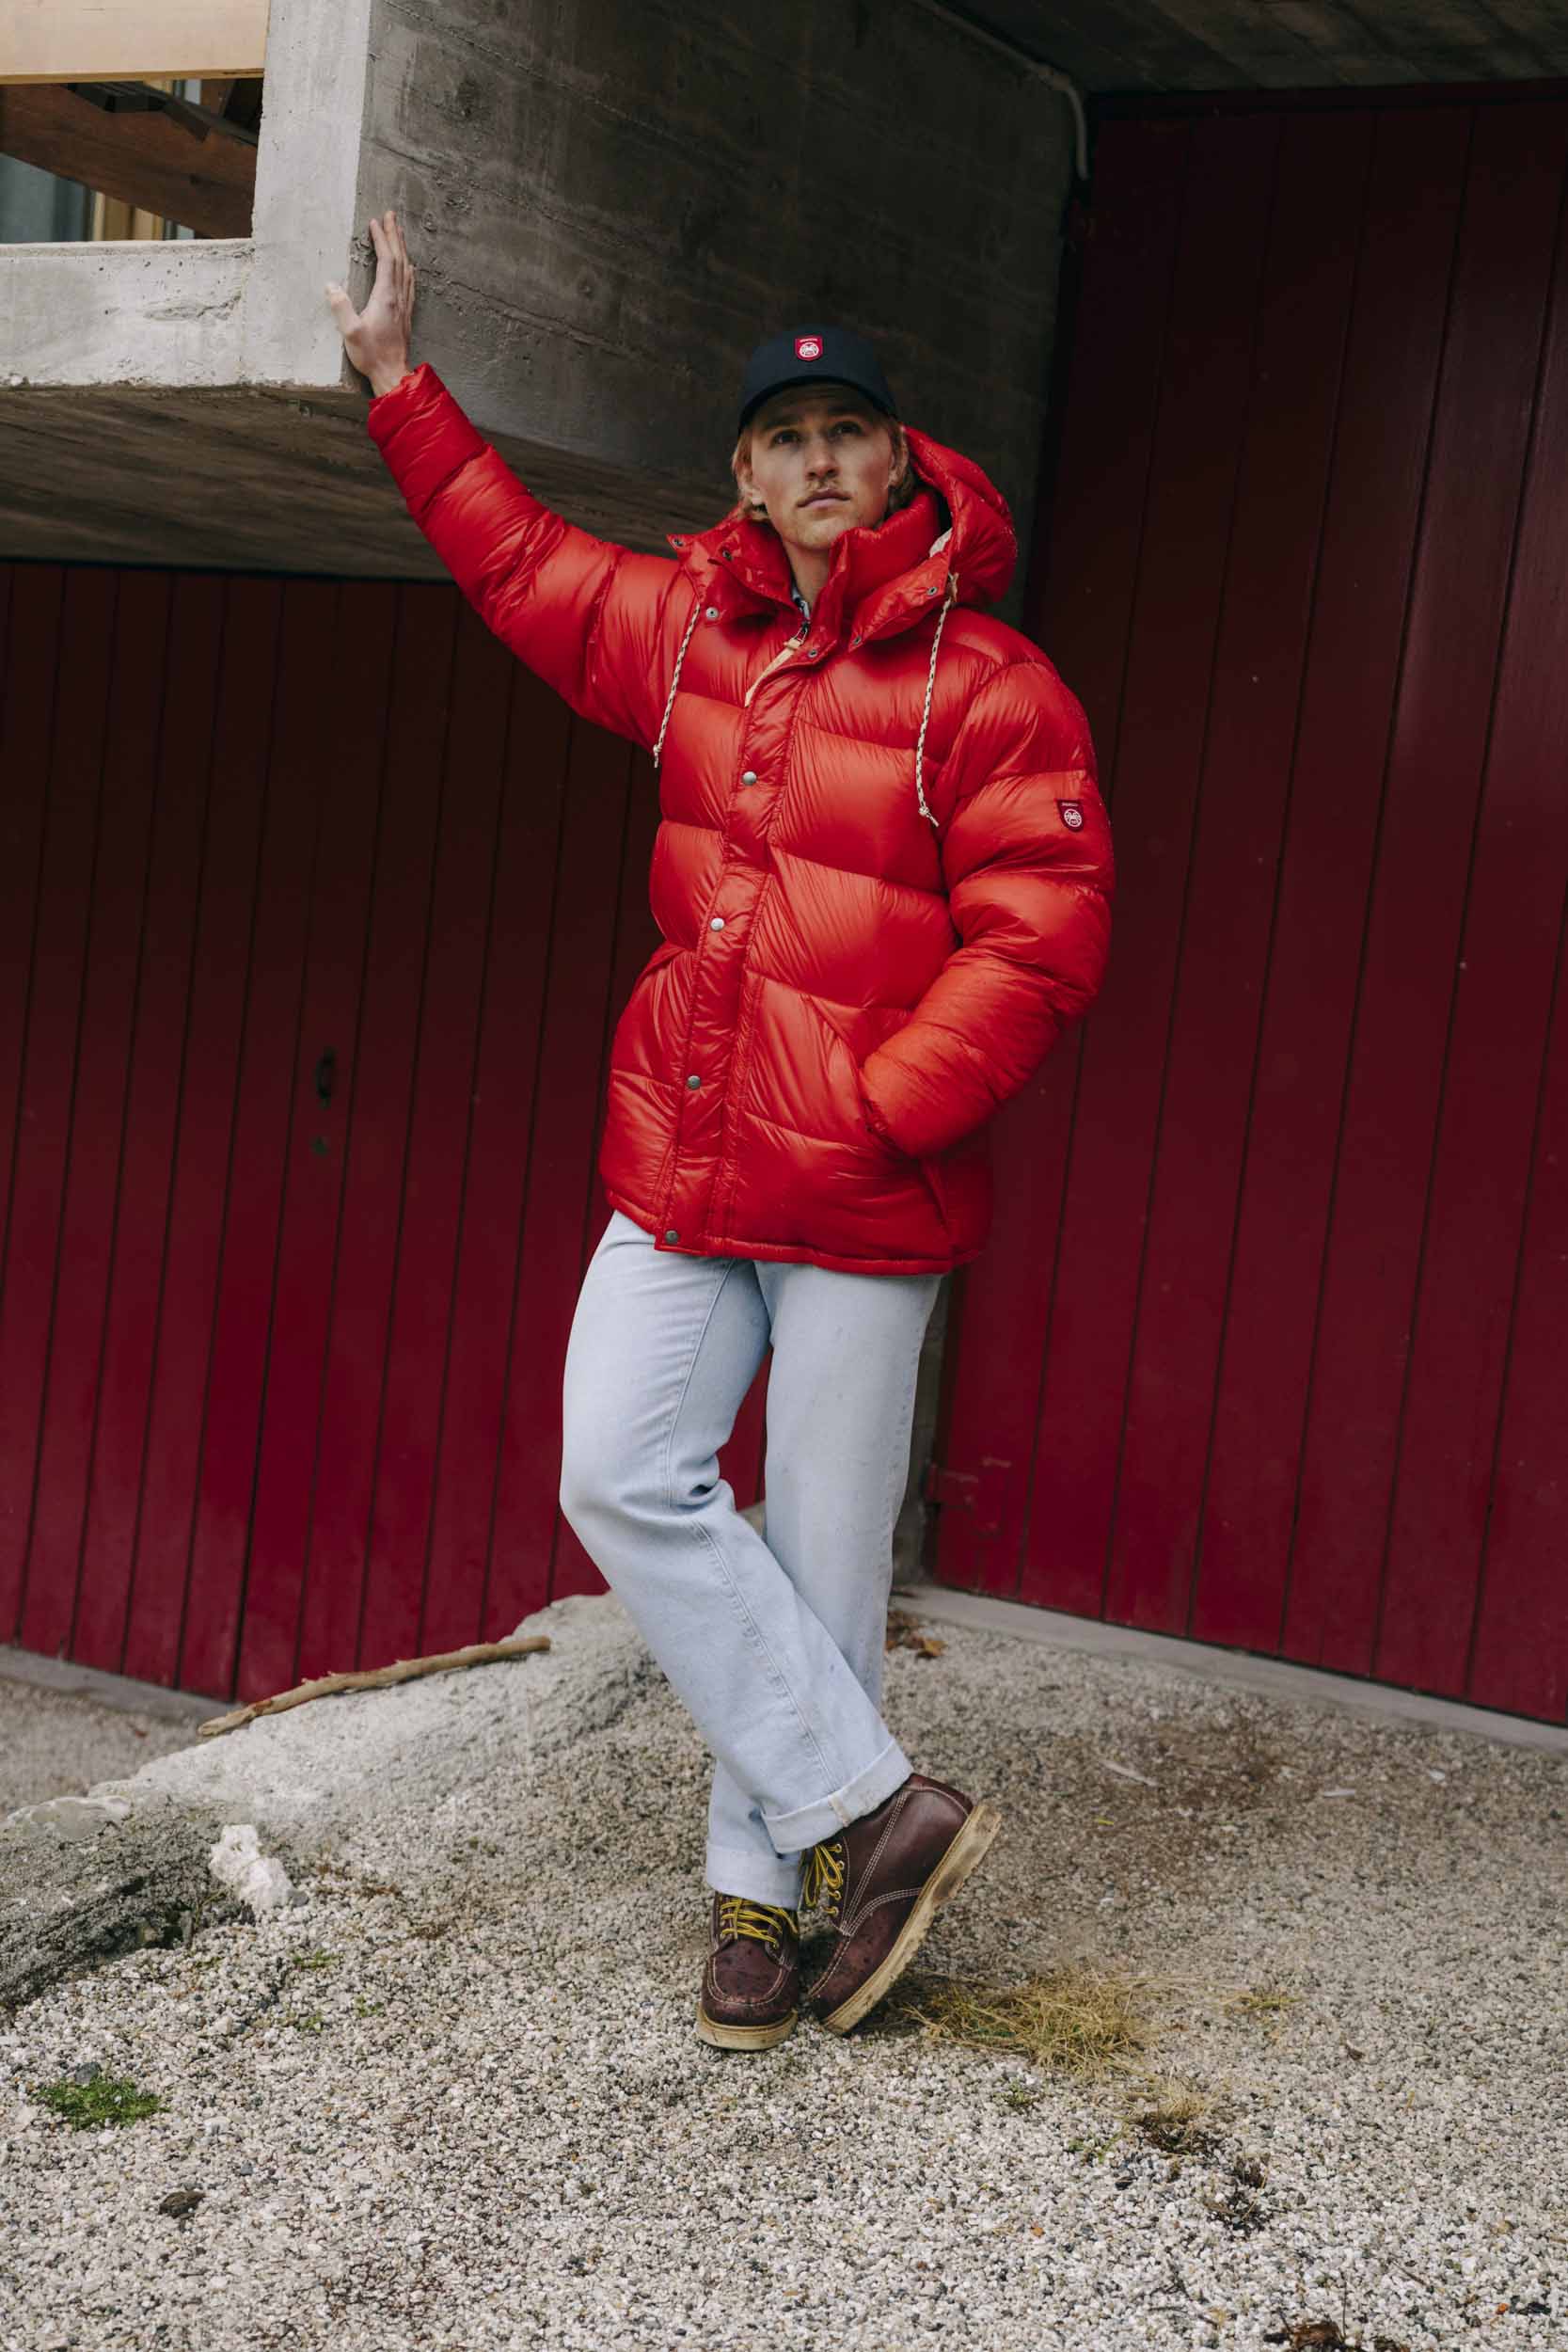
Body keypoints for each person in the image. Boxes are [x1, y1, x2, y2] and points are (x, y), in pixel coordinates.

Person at [327, 212, 1114, 2052]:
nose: (818, 462)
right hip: (683, 1161)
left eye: (848, 434)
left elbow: (1046, 931)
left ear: (900, 461)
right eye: (784, 439)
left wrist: (885, 1102)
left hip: (862, 1191)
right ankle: (875, 1810)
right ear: (745, 478)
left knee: (825, 1553)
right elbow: (520, 564)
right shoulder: (692, 633)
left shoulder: (989, 683)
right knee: (619, 1466)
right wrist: (400, 387)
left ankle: (769, 1894)